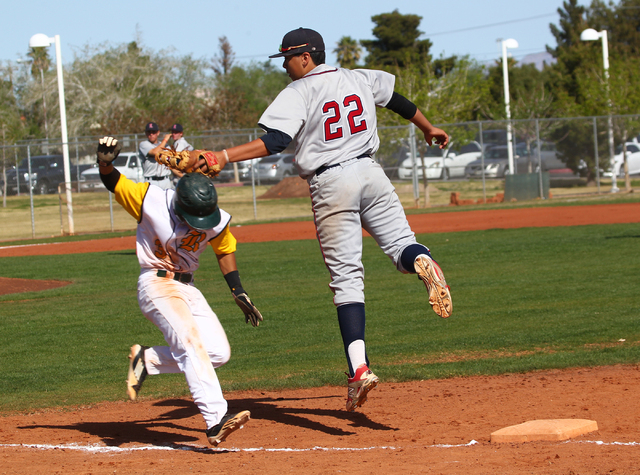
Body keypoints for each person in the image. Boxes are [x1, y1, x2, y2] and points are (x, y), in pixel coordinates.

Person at [197, 27, 453, 413]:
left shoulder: (299, 92)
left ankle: (358, 369)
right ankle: (421, 260)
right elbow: (397, 101)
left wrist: (223, 156)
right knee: (402, 243)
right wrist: (428, 126)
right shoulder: (357, 77)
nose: (284, 65)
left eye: (287, 57)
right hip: (371, 171)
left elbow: (276, 141)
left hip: (331, 180)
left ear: (305, 56)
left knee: (347, 277)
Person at [96, 136, 263, 447]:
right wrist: (106, 162)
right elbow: (115, 182)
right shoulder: (151, 200)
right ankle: (216, 420)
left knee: (217, 352)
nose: (201, 225)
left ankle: (148, 360)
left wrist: (238, 290)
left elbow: (224, 248)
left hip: (188, 287)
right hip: (156, 283)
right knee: (189, 344)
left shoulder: (213, 216)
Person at [138, 122, 174, 190]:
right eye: (149, 132)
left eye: (153, 132)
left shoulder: (166, 146)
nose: (151, 134)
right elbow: (155, 152)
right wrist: (165, 139)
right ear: (146, 133)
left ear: (158, 132)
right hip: (151, 181)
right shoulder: (143, 144)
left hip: (165, 180)